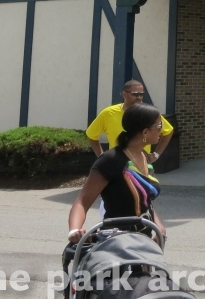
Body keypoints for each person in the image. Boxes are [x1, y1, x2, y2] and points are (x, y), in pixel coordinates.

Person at [68, 103, 166, 243]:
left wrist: (160, 228)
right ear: (145, 132)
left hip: (144, 242)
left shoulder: (144, 156)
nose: (161, 131)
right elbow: (82, 201)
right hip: (116, 244)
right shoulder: (110, 160)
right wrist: (75, 230)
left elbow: (145, 200)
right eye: (159, 126)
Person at [86, 80, 173, 165]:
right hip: (117, 163)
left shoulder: (147, 113)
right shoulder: (108, 113)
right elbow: (91, 134)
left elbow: (168, 131)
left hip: (142, 163)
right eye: (135, 94)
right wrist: (101, 157)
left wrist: (156, 155)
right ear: (124, 94)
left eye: (141, 94)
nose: (139, 97)